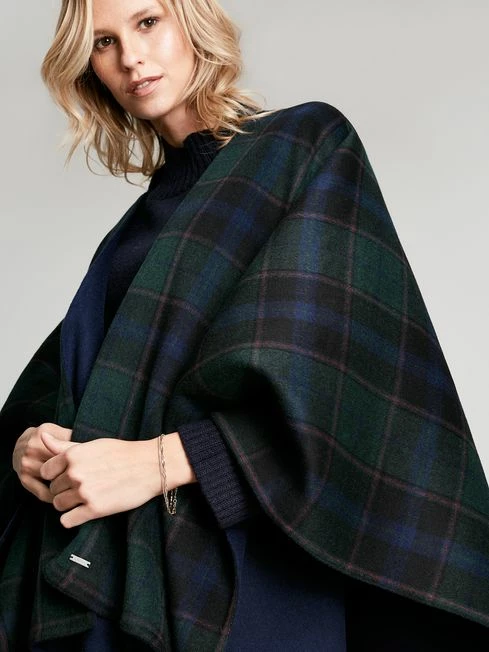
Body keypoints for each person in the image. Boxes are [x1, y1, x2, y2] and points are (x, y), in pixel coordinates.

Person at [1, 0, 488, 650]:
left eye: (147, 22)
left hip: (248, 570)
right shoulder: (133, 232)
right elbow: (82, 374)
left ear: (190, 20)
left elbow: (345, 388)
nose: (131, 58)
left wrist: (158, 462)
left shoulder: (302, 146)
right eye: (103, 42)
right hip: (115, 570)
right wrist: (31, 445)